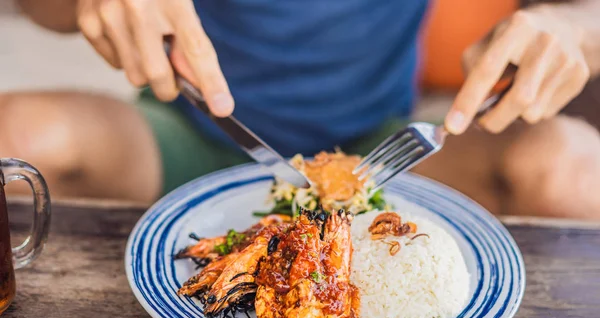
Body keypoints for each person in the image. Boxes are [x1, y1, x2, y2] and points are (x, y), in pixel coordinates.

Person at [4, 0, 600, 219]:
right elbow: (38, 9)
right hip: (184, 132)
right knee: (17, 135)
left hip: (380, 153)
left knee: (575, 168)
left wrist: (572, 25)